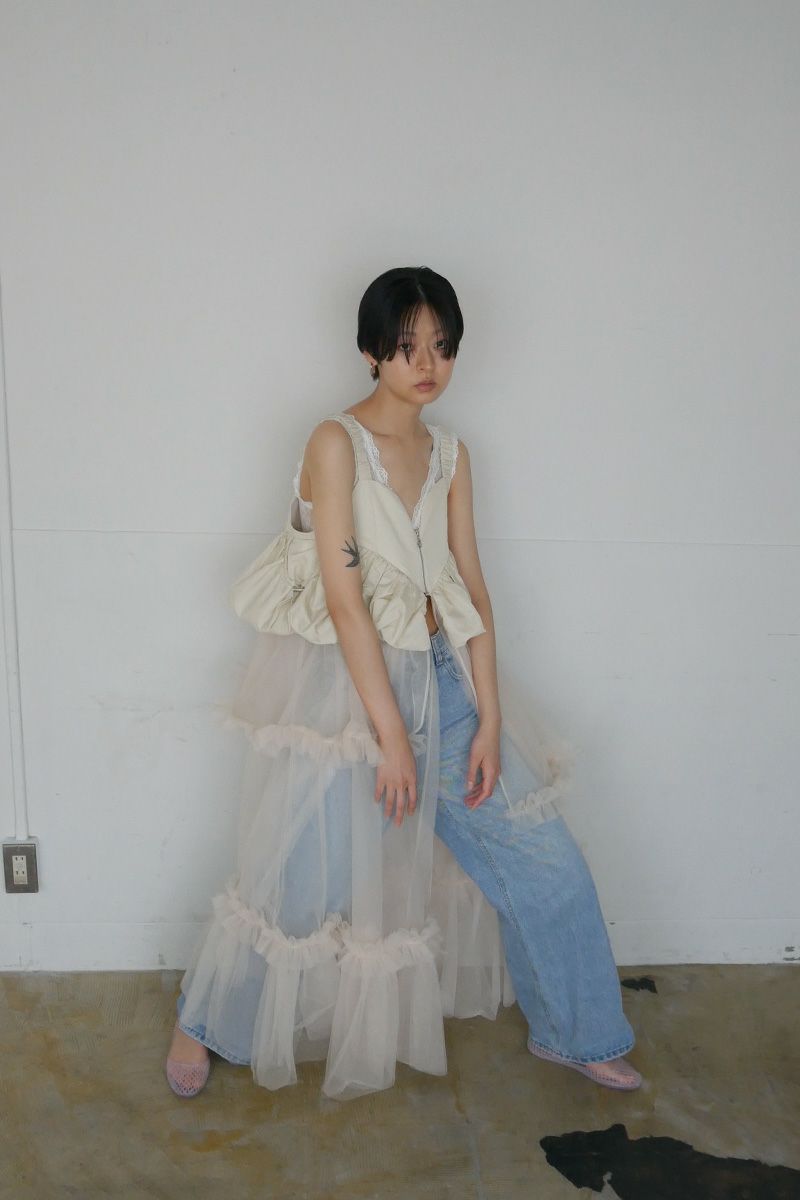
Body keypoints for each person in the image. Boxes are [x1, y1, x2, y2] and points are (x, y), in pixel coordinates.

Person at [165, 265, 642, 1100]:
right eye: (407, 345)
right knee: (300, 879)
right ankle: (202, 1022)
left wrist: (488, 719)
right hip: (344, 692)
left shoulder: (451, 453)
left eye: (442, 347)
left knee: (547, 861)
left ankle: (577, 1032)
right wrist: (391, 739)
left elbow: (472, 589)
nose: (427, 364)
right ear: (370, 351)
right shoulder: (333, 443)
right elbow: (346, 605)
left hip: (445, 684)